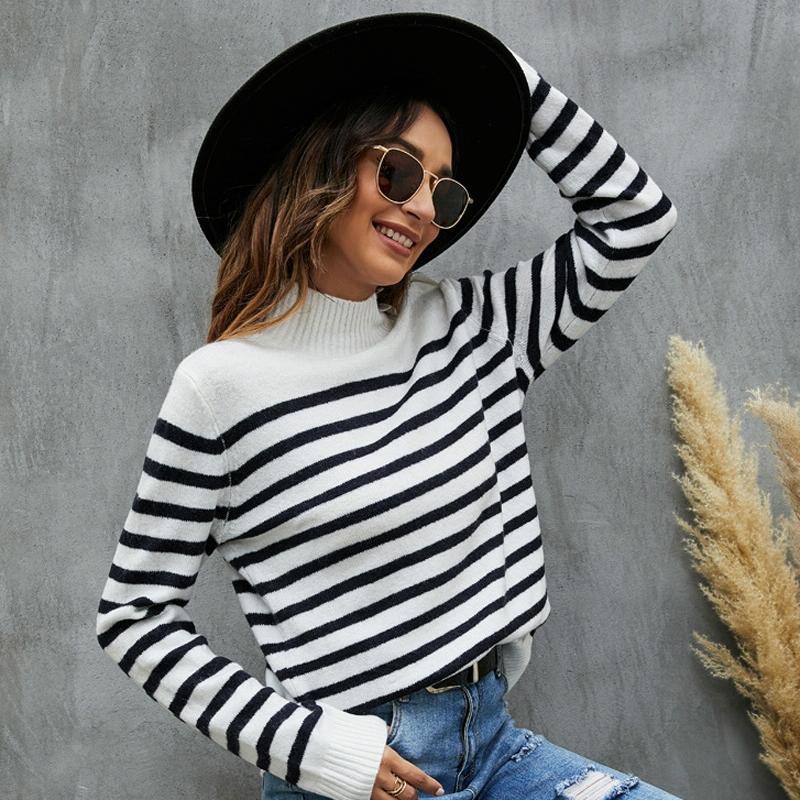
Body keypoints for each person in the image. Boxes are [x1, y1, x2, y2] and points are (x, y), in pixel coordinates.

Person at [95, 12, 681, 800]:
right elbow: (133, 614)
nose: (424, 208)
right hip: (361, 773)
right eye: (400, 172)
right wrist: (311, 748)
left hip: (495, 743)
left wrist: (497, 72)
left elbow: (635, 217)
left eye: (445, 189)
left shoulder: (475, 328)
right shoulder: (219, 387)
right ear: (322, 167)